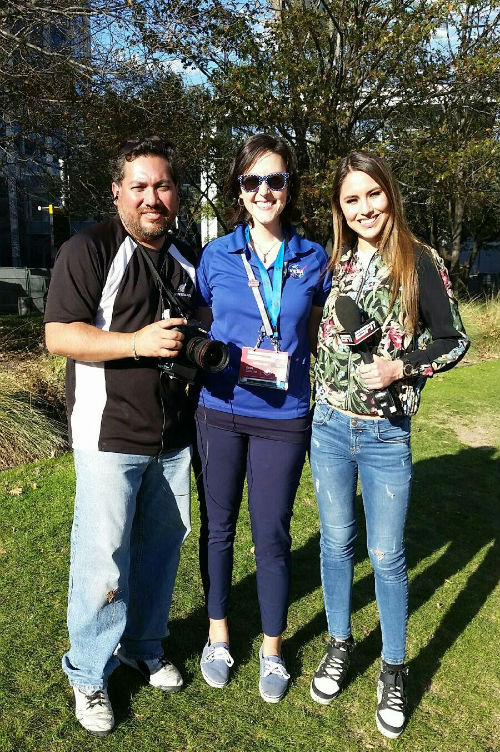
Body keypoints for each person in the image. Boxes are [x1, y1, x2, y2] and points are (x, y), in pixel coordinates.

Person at [309, 150, 470, 737]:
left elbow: (454, 341)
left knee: (386, 556)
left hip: (384, 435)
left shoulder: (419, 261)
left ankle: (394, 669)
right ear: (340, 209)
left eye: (373, 194)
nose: (364, 208)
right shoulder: (337, 262)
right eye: (352, 199)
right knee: (334, 545)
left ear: (390, 195)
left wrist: (400, 367)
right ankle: (339, 644)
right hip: (326, 427)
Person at [44, 136, 198, 737]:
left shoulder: (186, 258)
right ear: (118, 193)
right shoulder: (90, 248)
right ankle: (87, 671)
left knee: (161, 551)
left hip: (173, 436)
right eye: (139, 186)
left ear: (176, 194)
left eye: (162, 185)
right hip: (108, 433)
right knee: (102, 558)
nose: (152, 197)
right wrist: (137, 343)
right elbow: (59, 335)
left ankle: (142, 644)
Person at [195, 133, 330, 702]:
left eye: (274, 180)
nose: (264, 191)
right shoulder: (217, 256)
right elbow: (203, 317)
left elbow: (325, 329)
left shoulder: (313, 258)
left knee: (271, 532)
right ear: (239, 191)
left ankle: (273, 650)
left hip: (285, 415)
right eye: (252, 181)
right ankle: (218, 635)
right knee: (219, 528)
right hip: (220, 410)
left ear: (289, 187)